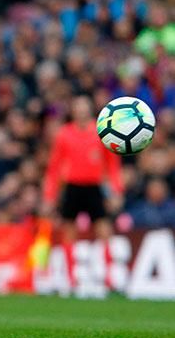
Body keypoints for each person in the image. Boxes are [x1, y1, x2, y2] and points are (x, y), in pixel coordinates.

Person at [42, 95, 122, 288]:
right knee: (69, 232)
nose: (81, 111)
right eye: (78, 107)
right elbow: (54, 167)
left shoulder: (101, 132)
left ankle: (109, 278)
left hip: (94, 187)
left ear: (90, 109)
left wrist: (116, 190)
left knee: (104, 230)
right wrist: (49, 196)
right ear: (73, 111)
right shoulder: (64, 134)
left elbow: (112, 165)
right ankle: (71, 279)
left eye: (84, 107)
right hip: (72, 187)